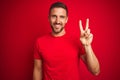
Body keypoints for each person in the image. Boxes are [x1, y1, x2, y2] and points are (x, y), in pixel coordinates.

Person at [33, 2, 100, 80]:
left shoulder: (77, 41)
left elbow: (95, 71)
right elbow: (38, 69)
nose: (57, 21)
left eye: (62, 17)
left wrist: (88, 46)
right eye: (54, 16)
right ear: (48, 18)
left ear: (66, 19)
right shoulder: (40, 42)